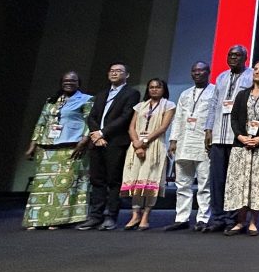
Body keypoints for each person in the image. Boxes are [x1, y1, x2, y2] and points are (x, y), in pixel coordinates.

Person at [22, 71, 93, 229]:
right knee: (42, 186)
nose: (69, 82)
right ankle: (36, 220)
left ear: (78, 83)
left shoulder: (86, 100)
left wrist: (84, 140)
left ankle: (57, 220)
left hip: (71, 147)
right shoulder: (52, 101)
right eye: (66, 80)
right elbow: (41, 123)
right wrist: (32, 145)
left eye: (73, 80)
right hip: (47, 147)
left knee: (63, 186)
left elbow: (90, 122)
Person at [78, 63, 141, 231]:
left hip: (115, 142)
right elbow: (91, 117)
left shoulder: (132, 93)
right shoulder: (101, 94)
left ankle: (110, 216)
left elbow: (125, 116)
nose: (114, 73)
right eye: (112, 71)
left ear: (127, 75)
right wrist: (95, 134)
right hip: (97, 142)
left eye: (119, 71)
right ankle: (95, 216)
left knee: (114, 181)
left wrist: (103, 133)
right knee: (97, 180)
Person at [225, 60, 259, 236]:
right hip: (241, 145)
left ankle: (254, 222)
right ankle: (240, 221)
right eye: (255, 69)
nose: (256, 72)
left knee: (258, 184)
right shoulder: (242, 94)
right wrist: (241, 136)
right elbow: (234, 118)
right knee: (240, 183)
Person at [203, 45, 254, 232]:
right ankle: (217, 218)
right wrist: (208, 129)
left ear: (245, 58)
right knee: (216, 180)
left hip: (237, 136)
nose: (233, 58)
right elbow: (214, 104)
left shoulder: (250, 76)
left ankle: (232, 219)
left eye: (237, 55)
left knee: (234, 180)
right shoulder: (221, 77)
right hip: (218, 135)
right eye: (230, 54)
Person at [165, 61, 216, 232]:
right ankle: (181, 218)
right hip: (184, 142)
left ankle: (203, 218)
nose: (197, 73)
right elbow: (178, 117)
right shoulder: (185, 94)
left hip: (203, 144)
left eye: (201, 70)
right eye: (194, 71)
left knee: (204, 184)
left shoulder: (215, 91)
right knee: (182, 184)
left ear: (208, 72)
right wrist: (173, 140)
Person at [119, 78, 176, 231]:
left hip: (154, 146)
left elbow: (163, 128)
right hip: (136, 146)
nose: (154, 90)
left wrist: (144, 142)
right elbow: (131, 127)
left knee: (150, 179)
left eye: (158, 87)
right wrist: (136, 143)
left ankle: (145, 216)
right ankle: (135, 214)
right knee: (136, 178)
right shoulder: (140, 106)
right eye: (151, 87)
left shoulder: (169, 105)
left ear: (163, 89)